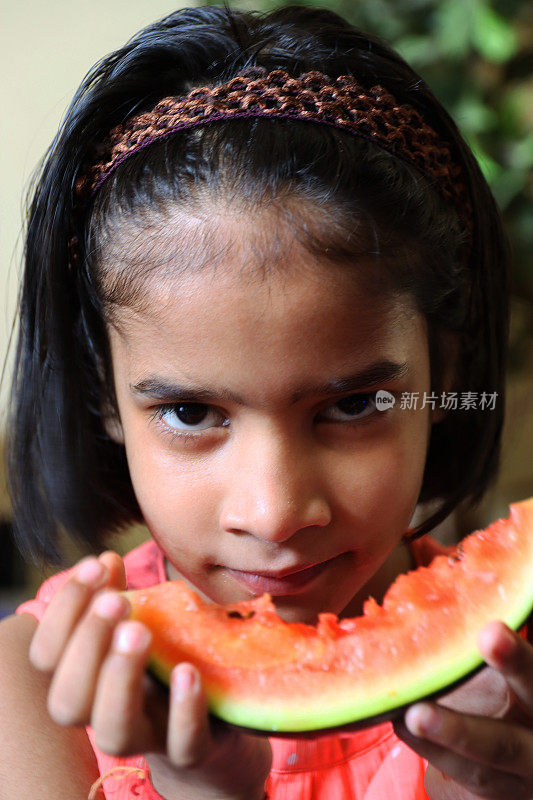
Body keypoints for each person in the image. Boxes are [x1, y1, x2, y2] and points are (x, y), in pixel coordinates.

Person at [1, 4, 531, 799]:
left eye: (353, 406)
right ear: (102, 396)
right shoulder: (30, 692)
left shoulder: (514, 682)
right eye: (189, 413)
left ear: (441, 376)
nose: (275, 512)